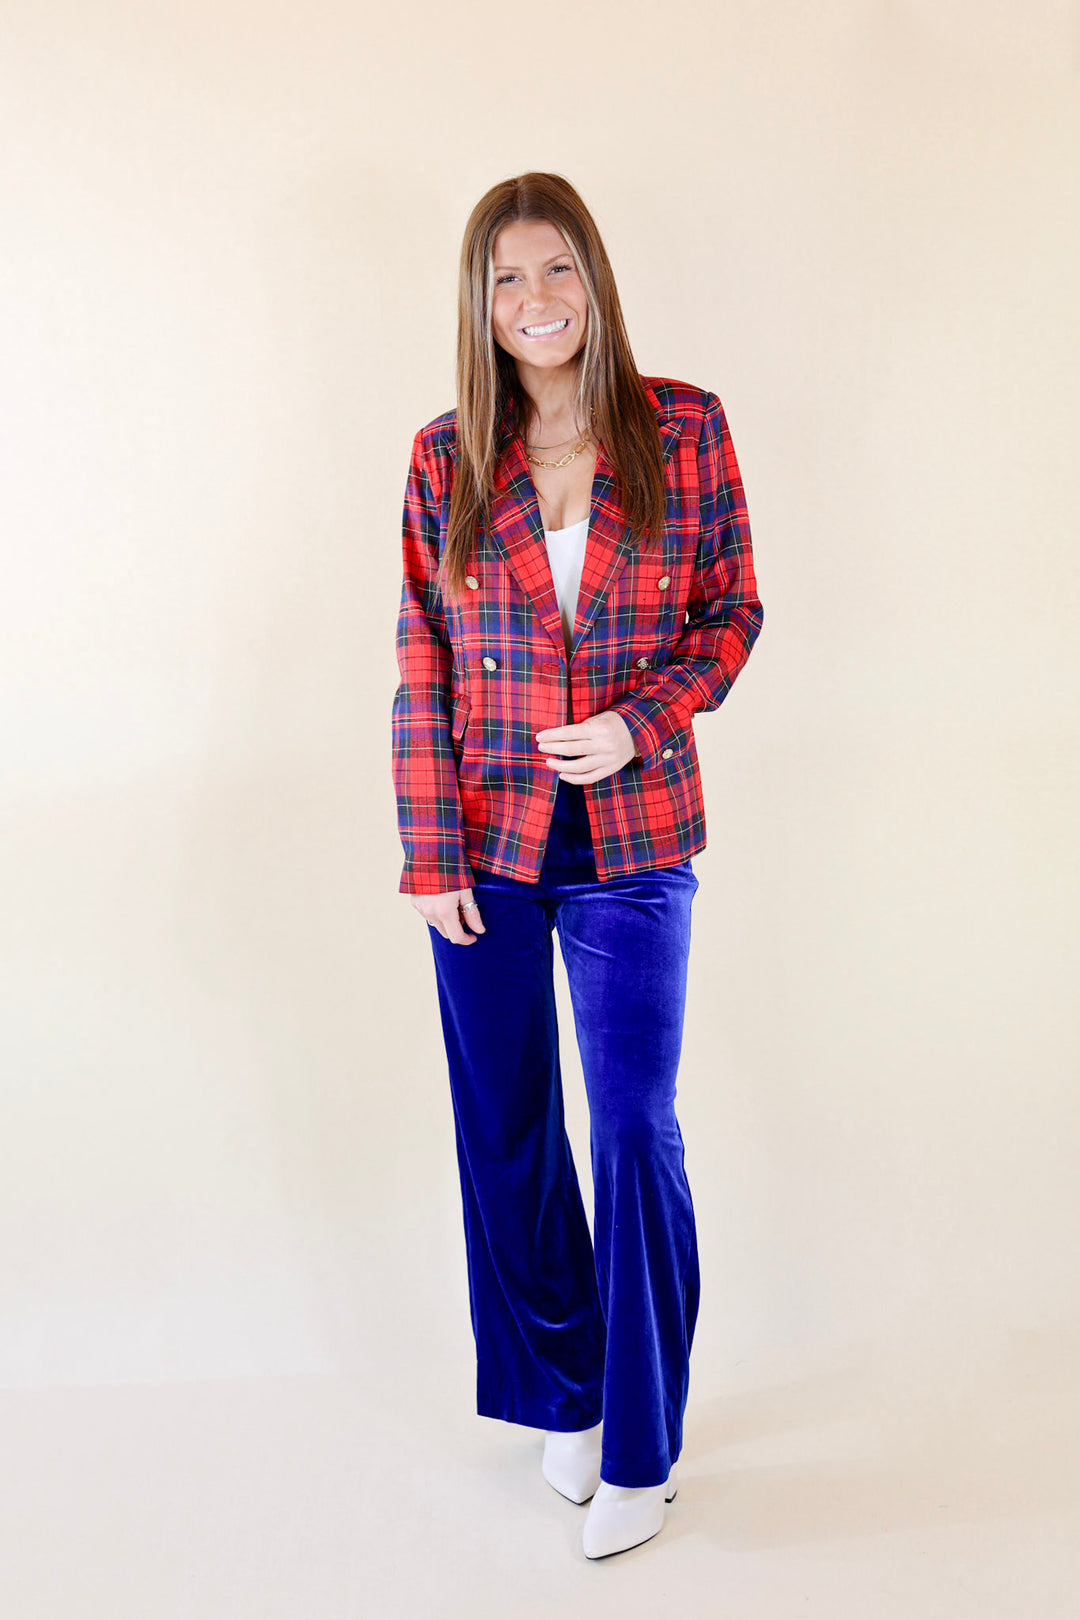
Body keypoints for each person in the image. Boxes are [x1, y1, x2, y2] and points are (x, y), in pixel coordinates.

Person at [391, 171, 764, 1559]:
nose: (536, 300)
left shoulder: (684, 426)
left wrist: (636, 721)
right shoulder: (445, 454)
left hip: (635, 842)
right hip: (483, 845)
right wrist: (429, 852)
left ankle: (645, 1442)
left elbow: (732, 611)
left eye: (557, 269)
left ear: (594, 280)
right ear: (479, 303)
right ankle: (567, 1395)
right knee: (507, 1131)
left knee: (631, 1128)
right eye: (507, 278)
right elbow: (420, 656)